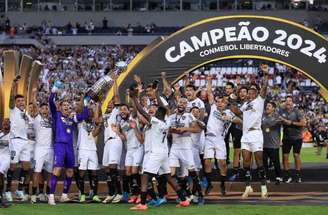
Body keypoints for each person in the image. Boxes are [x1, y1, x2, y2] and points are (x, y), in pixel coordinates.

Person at [129, 87, 190, 210]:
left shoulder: (157, 121)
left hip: (156, 153)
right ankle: (183, 200)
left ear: (158, 115)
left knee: (145, 175)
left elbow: (143, 112)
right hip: (163, 153)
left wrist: (135, 98)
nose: (154, 113)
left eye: (156, 112)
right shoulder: (165, 123)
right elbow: (164, 109)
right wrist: (156, 95)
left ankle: (143, 203)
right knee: (168, 177)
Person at [48, 81, 90, 205]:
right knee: (57, 169)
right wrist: (54, 90)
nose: (67, 107)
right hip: (59, 145)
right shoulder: (56, 115)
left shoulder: (72, 118)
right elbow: (51, 101)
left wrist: (86, 104)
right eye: (64, 105)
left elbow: (85, 115)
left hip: (69, 147)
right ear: (60, 107)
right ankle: (51, 195)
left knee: (70, 171)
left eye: (68, 105)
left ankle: (64, 195)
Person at [231, 63, 269, 199]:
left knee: (259, 162)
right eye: (249, 92)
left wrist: (265, 74)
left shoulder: (260, 100)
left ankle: (263, 187)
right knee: (246, 162)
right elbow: (235, 111)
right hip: (245, 135)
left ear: (257, 93)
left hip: (256, 134)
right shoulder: (245, 104)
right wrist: (233, 99)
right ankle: (248, 187)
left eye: (253, 91)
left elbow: (264, 87)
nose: (251, 93)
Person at [203, 76, 242, 196]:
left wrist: (229, 118)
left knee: (222, 163)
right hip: (209, 138)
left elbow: (240, 121)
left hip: (220, 139)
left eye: (222, 102)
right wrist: (209, 81)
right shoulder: (213, 107)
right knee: (207, 162)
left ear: (226, 104)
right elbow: (209, 92)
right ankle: (209, 184)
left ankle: (222, 184)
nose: (219, 103)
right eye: (218, 101)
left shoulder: (229, 112)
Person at [167, 97, 204, 205]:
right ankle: (186, 194)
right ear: (177, 103)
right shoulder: (171, 117)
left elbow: (197, 129)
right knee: (170, 173)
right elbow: (167, 129)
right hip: (174, 147)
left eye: (184, 103)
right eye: (180, 102)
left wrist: (185, 129)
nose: (182, 104)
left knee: (192, 172)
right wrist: (171, 131)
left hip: (186, 146)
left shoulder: (189, 116)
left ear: (186, 105)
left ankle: (200, 195)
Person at [102, 81, 124, 204]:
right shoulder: (105, 115)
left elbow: (116, 97)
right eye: (109, 103)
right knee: (106, 168)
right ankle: (111, 193)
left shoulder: (115, 113)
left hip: (115, 140)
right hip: (107, 143)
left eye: (112, 103)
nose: (110, 104)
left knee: (113, 168)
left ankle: (119, 193)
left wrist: (115, 81)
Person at [6, 94, 31, 202]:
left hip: (25, 141)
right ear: (16, 103)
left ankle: (19, 189)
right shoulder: (13, 110)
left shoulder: (26, 114)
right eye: (19, 101)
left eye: (22, 100)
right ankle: (7, 191)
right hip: (15, 140)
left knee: (26, 167)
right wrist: (13, 84)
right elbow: (11, 99)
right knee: (12, 167)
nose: (21, 102)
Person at [77, 102, 102, 203]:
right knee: (82, 172)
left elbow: (95, 132)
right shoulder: (80, 121)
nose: (90, 113)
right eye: (88, 111)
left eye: (91, 112)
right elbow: (80, 109)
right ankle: (82, 194)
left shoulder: (93, 122)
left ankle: (95, 195)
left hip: (92, 149)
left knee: (94, 172)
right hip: (82, 149)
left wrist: (97, 106)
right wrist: (86, 102)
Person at [279, 95, 306, 183]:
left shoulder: (297, 112)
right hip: (286, 137)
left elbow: (303, 123)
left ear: (292, 103)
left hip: (297, 137)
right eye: (286, 101)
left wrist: (290, 122)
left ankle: (298, 175)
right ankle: (287, 175)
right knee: (285, 156)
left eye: (290, 101)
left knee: (296, 155)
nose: (288, 102)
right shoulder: (281, 111)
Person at [30, 103, 53, 203]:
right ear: (39, 110)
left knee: (49, 173)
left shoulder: (52, 120)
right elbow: (34, 109)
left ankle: (47, 194)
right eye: (42, 108)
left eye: (46, 108)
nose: (44, 110)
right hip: (39, 149)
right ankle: (34, 195)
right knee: (37, 171)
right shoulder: (37, 119)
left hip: (50, 149)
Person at [262, 102, 283, 184]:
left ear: (273, 108)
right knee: (264, 163)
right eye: (267, 106)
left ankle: (278, 177)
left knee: (276, 162)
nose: (267, 107)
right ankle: (266, 177)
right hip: (263, 143)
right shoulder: (263, 116)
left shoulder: (277, 117)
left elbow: (271, 124)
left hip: (274, 144)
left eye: (269, 106)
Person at [0, 119, 11, 208]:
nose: (6, 124)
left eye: (7, 123)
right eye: (4, 123)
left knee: (1, 174)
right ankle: (2, 197)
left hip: (6, 158)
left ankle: (3, 197)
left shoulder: (13, 136)